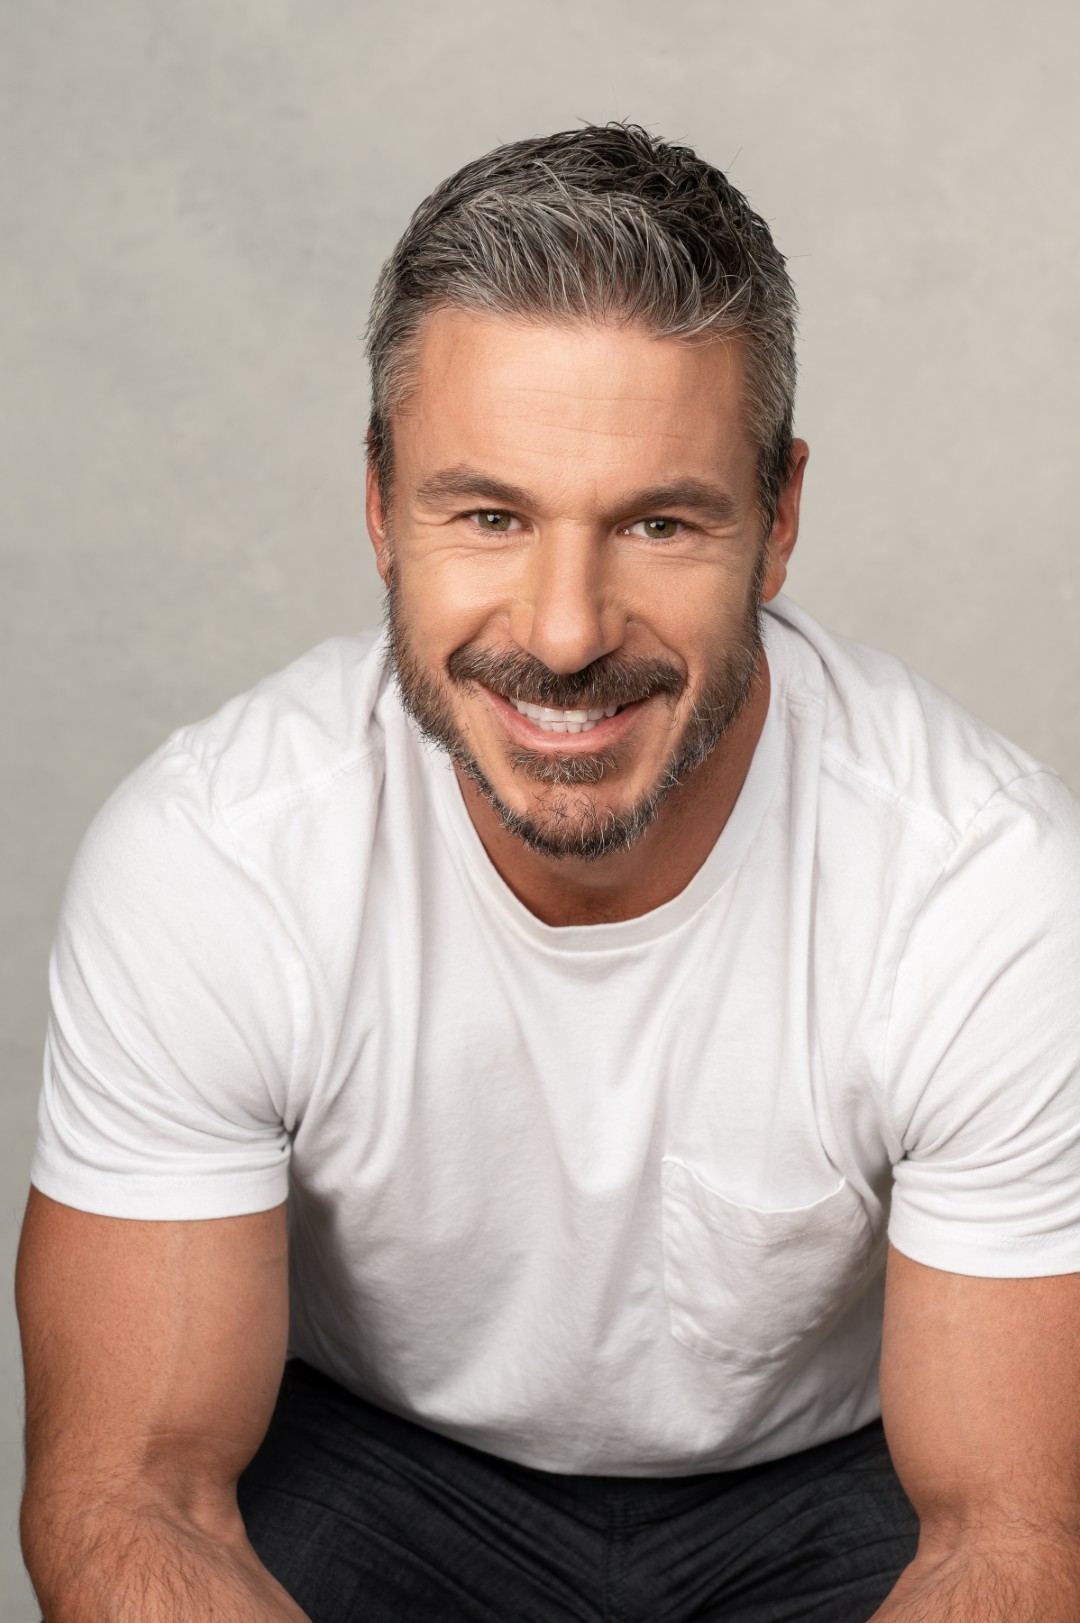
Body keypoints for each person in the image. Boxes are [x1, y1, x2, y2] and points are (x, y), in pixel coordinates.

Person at [16, 123, 1080, 1623]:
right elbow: (136, 1498)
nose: (567, 632)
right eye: (489, 516)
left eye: (659, 522)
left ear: (778, 520)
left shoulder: (985, 890)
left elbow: (1007, 1540)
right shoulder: (216, 863)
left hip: (833, 1487)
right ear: (380, 506)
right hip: (385, 1463)